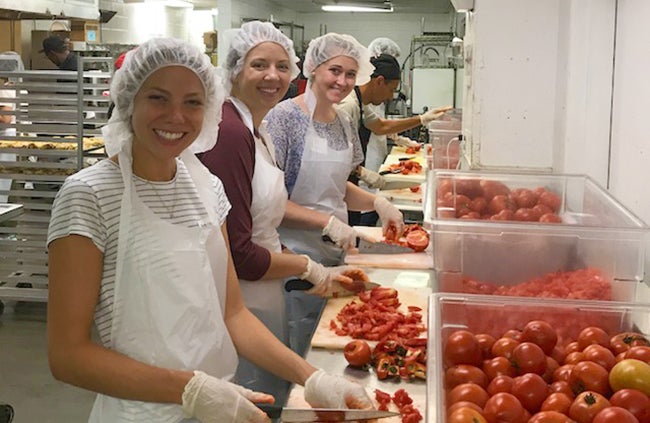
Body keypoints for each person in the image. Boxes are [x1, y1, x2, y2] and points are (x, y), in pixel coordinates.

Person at [47, 37, 373, 422]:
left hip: (221, 404)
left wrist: (313, 378)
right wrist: (190, 389)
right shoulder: (90, 195)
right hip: (140, 414)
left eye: (192, 102)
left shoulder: (205, 187)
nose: (176, 116)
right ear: (128, 99)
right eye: (157, 98)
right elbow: (68, 356)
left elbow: (232, 311)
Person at [197, 21, 359, 405]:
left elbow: (259, 226)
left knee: (269, 392)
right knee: (254, 397)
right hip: (241, 298)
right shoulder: (230, 131)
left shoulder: (255, 127)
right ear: (235, 68)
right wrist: (308, 266)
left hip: (265, 285)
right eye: (259, 65)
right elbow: (239, 254)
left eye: (282, 66)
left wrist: (313, 267)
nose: (273, 76)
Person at [265, 33, 405, 356]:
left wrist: (376, 202)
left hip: (337, 256)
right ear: (313, 68)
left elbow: (338, 185)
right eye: (335, 71)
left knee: (332, 340)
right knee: (300, 346)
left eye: (351, 74)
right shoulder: (284, 119)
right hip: (294, 260)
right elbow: (269, 202)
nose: (342, 81)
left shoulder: (343, 120)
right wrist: (325, 222)